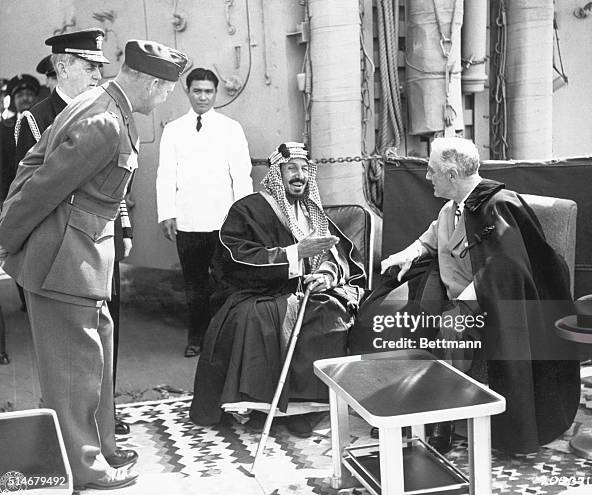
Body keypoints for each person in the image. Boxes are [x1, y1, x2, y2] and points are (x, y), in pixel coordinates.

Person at [0, 39, 187, 490]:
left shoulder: (103, 106)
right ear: (147, 81)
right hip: (64, 260)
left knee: (94, 361)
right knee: (73, 374)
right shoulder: (104, 119)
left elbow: (36, 163)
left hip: (84, 256)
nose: (165, 99)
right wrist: (6, 241)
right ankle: (83, 469)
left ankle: (100, 446)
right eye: (165, 89)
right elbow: (41, 182)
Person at [377, 137, 580, 454]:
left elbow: (507, 268)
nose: (428, 177)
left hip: (499, 308)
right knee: (400, 313)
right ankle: (412, 408)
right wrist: (407, 253)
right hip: (459, 299)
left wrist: (463, 306)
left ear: (452, 175)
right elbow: (431, 239)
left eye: (432, 171)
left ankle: (443, 419)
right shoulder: (450, 209)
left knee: (452, 327)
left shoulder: (499, 206)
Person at [189, 141, 366, 437]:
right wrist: (295, 253)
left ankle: (303, 408)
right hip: (258, 290)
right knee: (261, 315)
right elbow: (235, 258)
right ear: (277, 173)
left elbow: (336, 256)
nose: (299, 175)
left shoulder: (314, 212)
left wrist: (325, 274)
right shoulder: (248, 209)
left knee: (331, 310)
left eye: (304, 169)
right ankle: (262, 407)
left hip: (309, 291)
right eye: (291, 169)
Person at [14, 28, 133, 436]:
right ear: (62, 66)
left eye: (100, 66)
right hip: (59, 250)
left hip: (100, 238)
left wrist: (126, 224)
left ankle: (104, 420)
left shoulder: (103, 109)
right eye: (88, 66)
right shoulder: (37, 119)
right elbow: (33, 190)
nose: (97, 75)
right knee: (67, 354)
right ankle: (68, 436)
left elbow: (111, 182)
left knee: (103, 338)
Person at [156, 67, 253, 358]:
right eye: (197, 91)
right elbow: (165, 175)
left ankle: (225, 338)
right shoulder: (173, 130)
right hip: (188, 221)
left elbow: (242, 175)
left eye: (208, 91)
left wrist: (243, 218)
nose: (203, 97)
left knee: (226, 283)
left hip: (223, 222)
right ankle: (196, 338)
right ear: (188, 92)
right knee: (194, 285)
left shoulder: (230, 128)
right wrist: (167, 213)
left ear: (215, 93)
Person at [0, 74, 39, 202]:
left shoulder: (44, 124)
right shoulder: (4, 128)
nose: (25, 99)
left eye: (29, 94)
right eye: (19, 96)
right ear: (13, 100)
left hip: (38, 190)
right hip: (10, 193)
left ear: (36, 98)